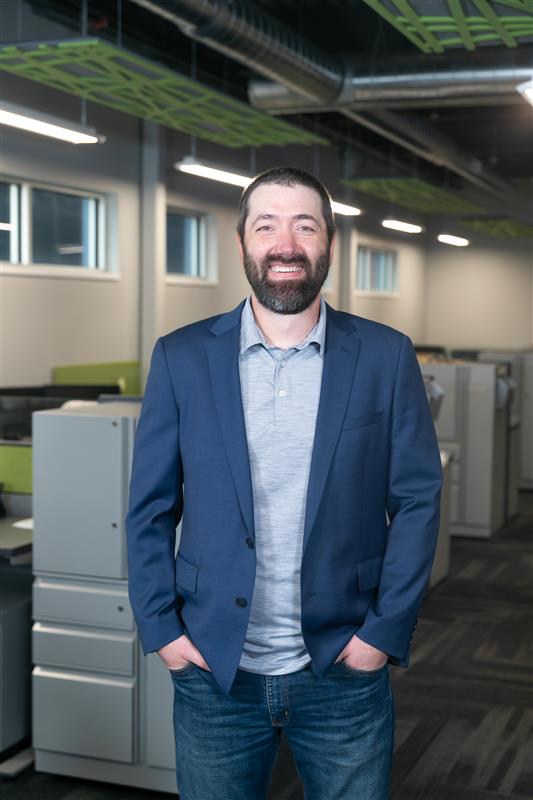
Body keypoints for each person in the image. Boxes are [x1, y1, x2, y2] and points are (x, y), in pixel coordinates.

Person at [126, 166, 442, 800]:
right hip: (215, 668)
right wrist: (161, 629)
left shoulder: (384, 355)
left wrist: (381, 635)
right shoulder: (181, 357)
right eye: (266, 225)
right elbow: (150, 508)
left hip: (342, 668)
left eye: (305, 225)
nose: (286, 243)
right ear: (242, 243)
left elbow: (416, 501)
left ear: (328, 244)